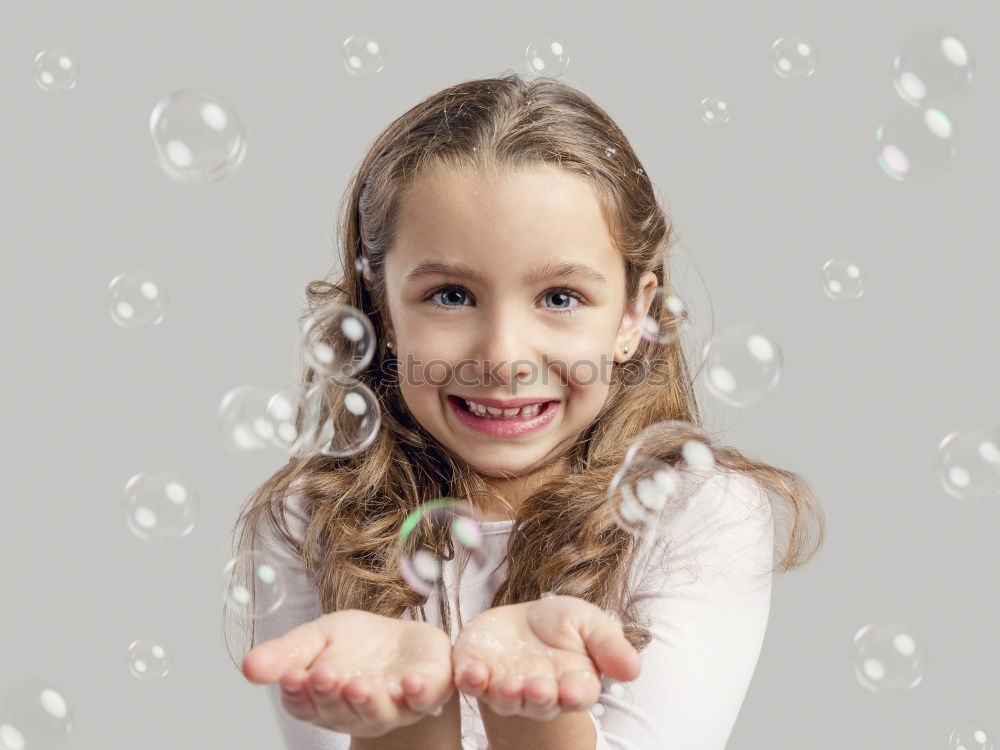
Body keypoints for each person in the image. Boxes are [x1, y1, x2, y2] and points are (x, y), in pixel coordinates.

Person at [228, 71, 826, 750]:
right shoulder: (308, 521)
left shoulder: (698, 512)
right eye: (451, 296)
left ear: (637, 315)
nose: (505, 356)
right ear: (381, 313)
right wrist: (407, 719)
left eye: (561, 298)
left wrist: (535, 719)